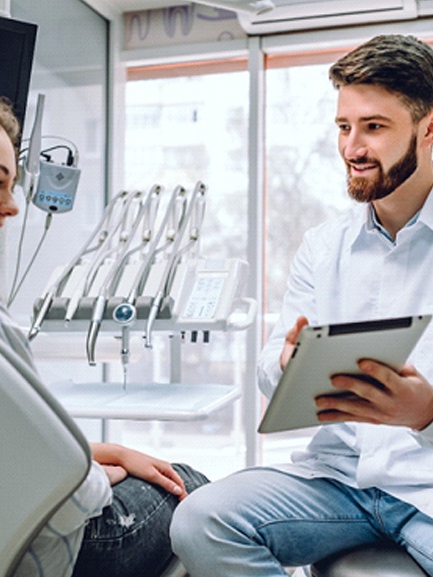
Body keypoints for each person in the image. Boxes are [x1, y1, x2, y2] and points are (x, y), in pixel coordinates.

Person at [170, 34, 433, 576]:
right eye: (344, 127)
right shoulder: (324, 244)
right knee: (199, 521)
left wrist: (426, 413)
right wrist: (290, 365)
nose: (352, 148)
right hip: (339, 481)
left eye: (374, 127)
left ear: (428, 129)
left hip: (427, 487)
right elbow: (270, 368)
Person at [0, 80, 208, 577]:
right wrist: (96, 471)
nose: (12, 205)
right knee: (193, 485)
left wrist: (100, 452)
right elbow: (74, 495)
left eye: (13, 185)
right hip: (48, 551)